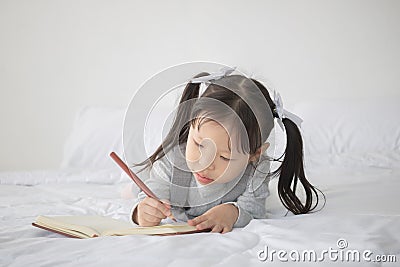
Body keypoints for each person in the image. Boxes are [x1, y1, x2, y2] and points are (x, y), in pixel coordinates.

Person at [129, 67, 321, 233]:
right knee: (138, 185)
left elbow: (254, 209)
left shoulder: (257, 169)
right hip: (156, 179)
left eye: (224, 157)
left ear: (254, 155)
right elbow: (153, 195)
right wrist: (143, 213)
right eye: (199, 145)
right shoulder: (174, 160)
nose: (205, 162)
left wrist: (233, 212)